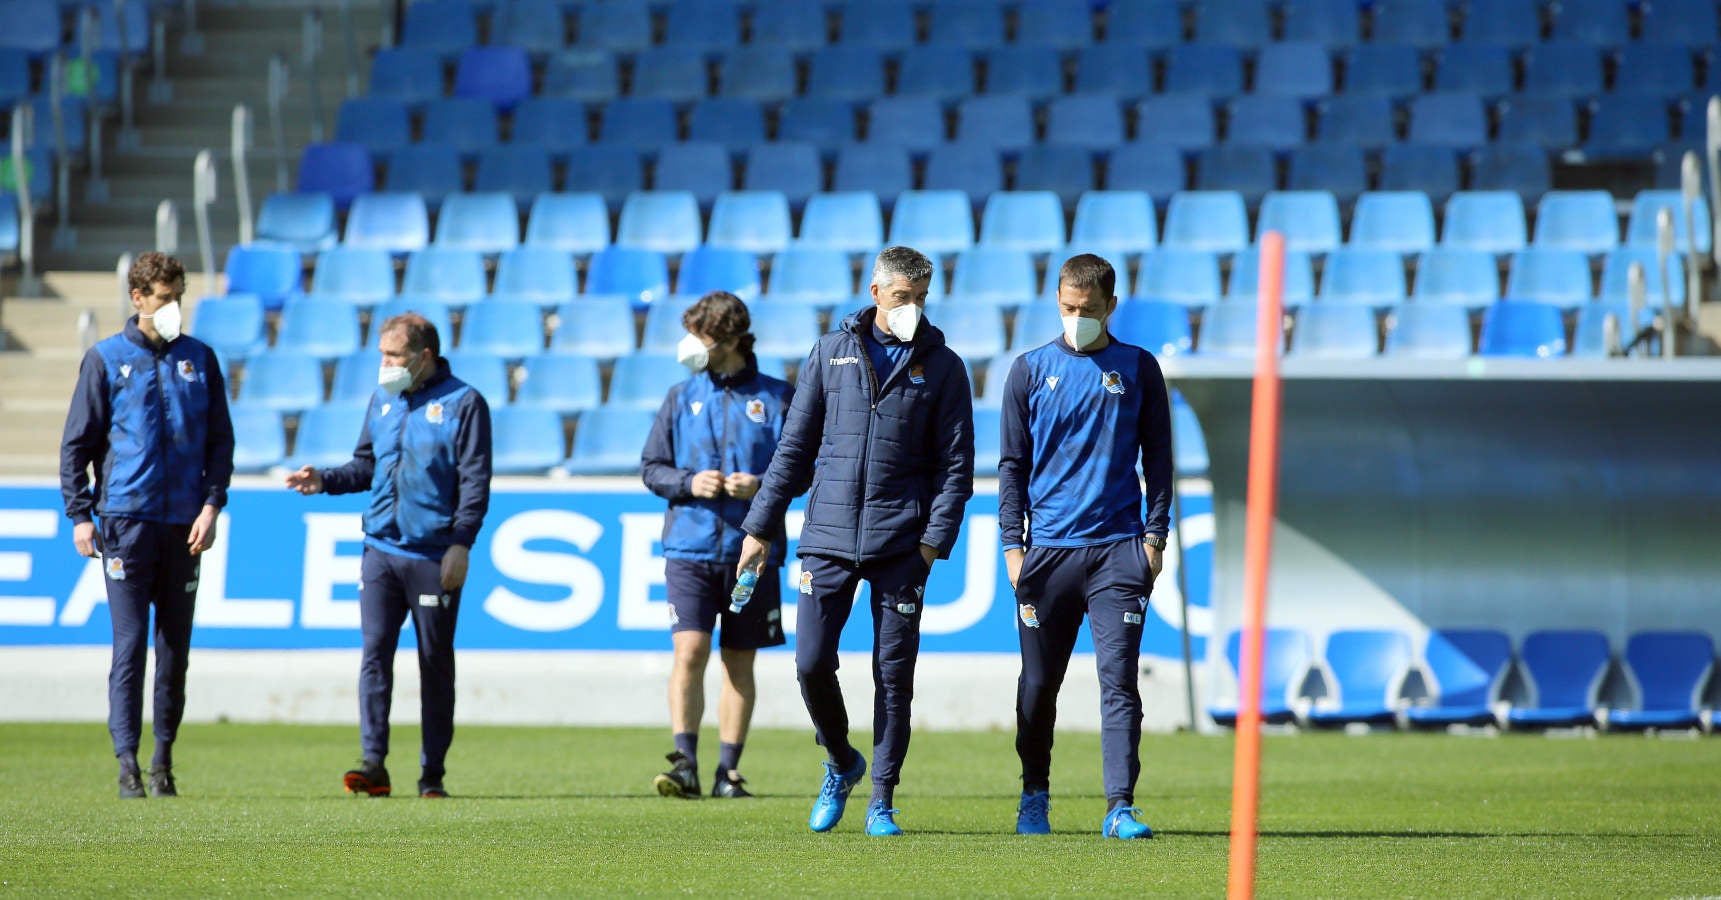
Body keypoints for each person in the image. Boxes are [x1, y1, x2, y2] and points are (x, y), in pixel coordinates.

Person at [736, 246, 975, 836]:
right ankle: (842, 762)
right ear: (876, 294)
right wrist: (759, 527)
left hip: (902, 546)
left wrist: (929, 546)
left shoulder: (944, 366)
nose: (912, 309)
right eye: (902, 298)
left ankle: (882, 801)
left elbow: (956, 468)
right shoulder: (829, 352)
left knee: (894, 677)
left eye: (921, 299)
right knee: (812, 662)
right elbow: (792, 450)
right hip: (827, 538)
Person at [998, 254, 1172, 840]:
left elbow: (1161, 460)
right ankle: (1033, 797)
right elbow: (1011, 466)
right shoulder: (1028, 370)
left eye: (1090, 310)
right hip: (1046, 554)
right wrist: (1010, 546)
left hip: (1118, 554)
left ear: (1111, 307)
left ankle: (1120, 806)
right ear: (1057, 301)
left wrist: (1154, 539)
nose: (1078, 318)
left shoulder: (1138, 367)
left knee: (1119, 680)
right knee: (1038, 685)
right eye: (1069, 309)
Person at [284, 312, 492, 799]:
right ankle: (373, 763)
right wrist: (325, 482)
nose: (384, 363)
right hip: (379, 549)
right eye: (381, 354)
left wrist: (461, 542)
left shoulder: (465, 403)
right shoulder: (383, 399)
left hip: (432, 554)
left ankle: (431, 775)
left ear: (423, 357)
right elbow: (365, 466)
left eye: (393, 355)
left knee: (434, 662)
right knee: (374, 655)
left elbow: (475, 482)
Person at [60, 252, 235, 799]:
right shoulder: (106, 359)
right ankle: (126, 763)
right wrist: (80, 514)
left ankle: (163, 761)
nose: (173, 307)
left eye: (179, 296)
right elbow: (78, 444)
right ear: (138, 299)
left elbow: (219, 442)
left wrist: (211, 506)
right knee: (130, 645)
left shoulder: (201, 359)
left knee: (175, 649)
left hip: (185, 524)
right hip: (126, 522)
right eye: (164, 297)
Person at [641, 291, 795, 800]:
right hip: (689, 547)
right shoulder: (679, 396)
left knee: (739, 659)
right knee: (689, 650)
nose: (690, 345)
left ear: (729, 338)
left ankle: (728, 772)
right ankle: (683, 762)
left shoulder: (778, 398)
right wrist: (689, 483)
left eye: (700, 335)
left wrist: (763, 486)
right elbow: (652, 468)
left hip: (753, 550)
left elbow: (807, 468)